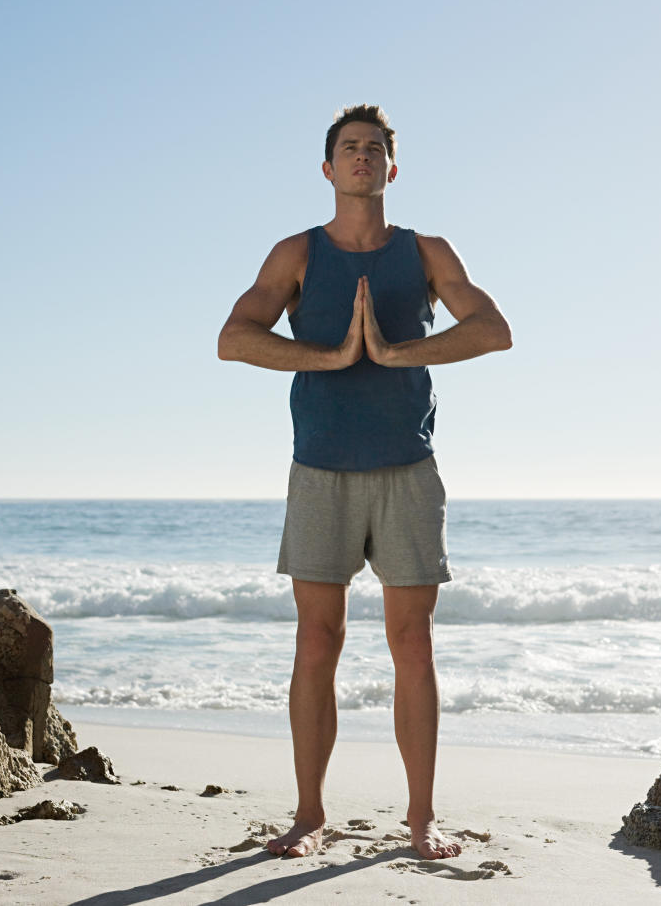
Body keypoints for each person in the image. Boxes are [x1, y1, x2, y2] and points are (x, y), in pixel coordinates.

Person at [217, 104, 512, 860]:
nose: (360, 157)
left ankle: (422, 820)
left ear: (391, 168)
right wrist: (331, 357)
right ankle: (310, 816)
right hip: (320, 470)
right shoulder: (298, 254)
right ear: (327, 168)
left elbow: (492, 328)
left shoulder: (426, 252)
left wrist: (397, 350)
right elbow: (233, 338)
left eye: (374, 148)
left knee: (412, 643)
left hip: (408, 472)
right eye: (348, 148)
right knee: (317, 640)